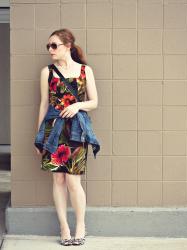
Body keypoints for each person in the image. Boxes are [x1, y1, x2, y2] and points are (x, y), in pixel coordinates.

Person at [34, 28, 98, 246]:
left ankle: (81, 225)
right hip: (53, 130)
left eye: (54, 45)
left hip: (77, 130)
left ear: (67, 46)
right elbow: (44, 104)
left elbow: (94, 102)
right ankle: (64, 227)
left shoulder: (84, 71)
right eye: (48, 46)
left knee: (73, 180)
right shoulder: (47, 72)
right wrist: (39, 136)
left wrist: (77, 105)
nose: (50, 50)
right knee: (58, 179)